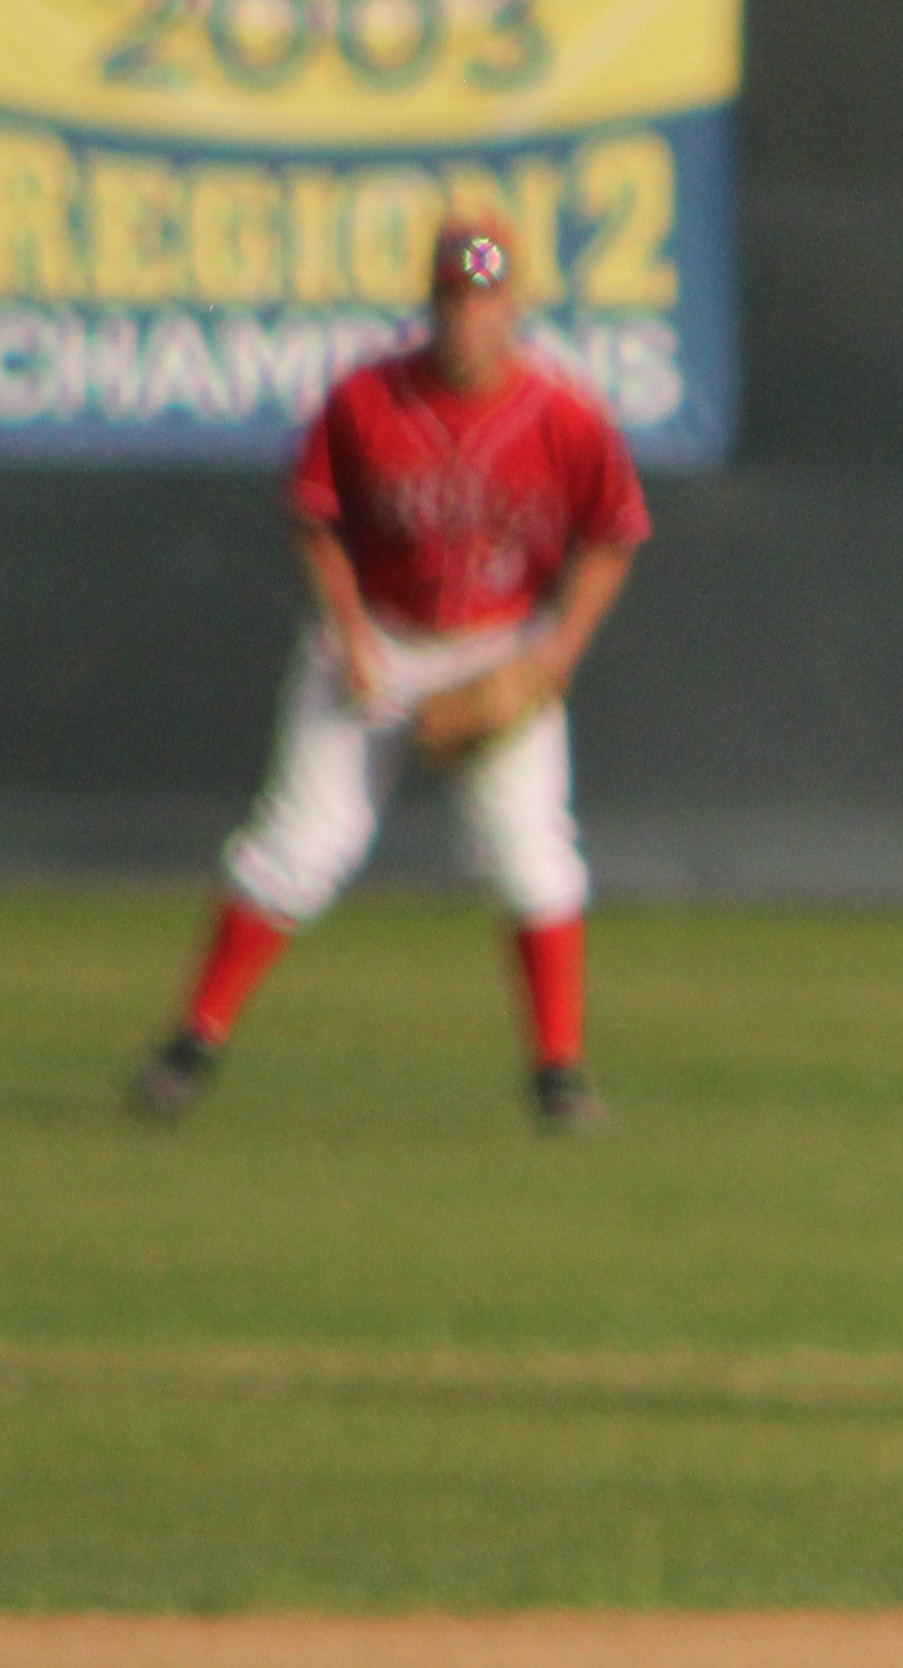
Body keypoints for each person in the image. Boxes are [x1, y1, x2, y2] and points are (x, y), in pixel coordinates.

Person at [127, 219, 649, 1134]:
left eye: (484, 300)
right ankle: (190, 1044)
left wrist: (556, 654)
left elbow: (613, 533)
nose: (467, 319)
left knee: (535, 857)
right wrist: (351, 636)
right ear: (431, 303)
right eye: (453, 299)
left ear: (514, 307)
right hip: (377, 633)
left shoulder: (565, 415)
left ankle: (558, 1075)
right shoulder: (367, 399)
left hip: (498, 644)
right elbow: (315, 517)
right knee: (300, 846)